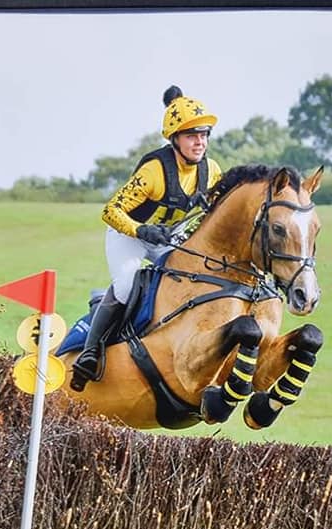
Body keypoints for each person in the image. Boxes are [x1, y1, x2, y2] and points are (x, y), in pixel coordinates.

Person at [70, 85, 224, 391]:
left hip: (169, 237)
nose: (200, 142)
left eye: (204, 134)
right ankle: (91, 351)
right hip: (129, 235)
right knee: (127, 286)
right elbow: (110, 210)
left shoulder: (212, 171)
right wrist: (141, 230)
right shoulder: (154, 170)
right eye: (192, 135)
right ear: (175, 138)